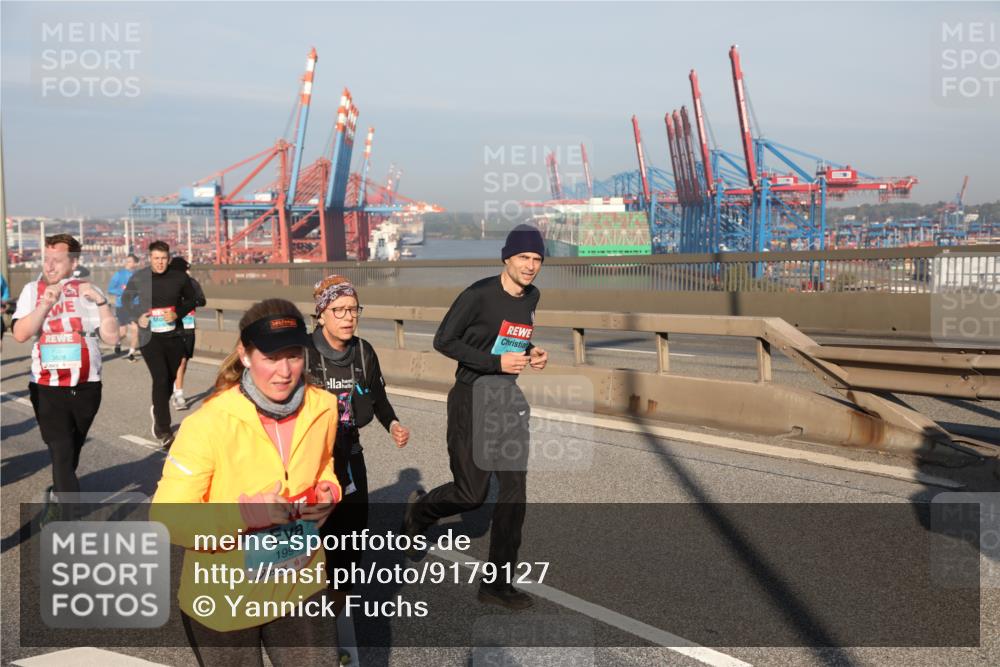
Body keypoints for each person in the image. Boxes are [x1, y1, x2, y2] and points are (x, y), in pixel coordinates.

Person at [152, 298, 341, 666]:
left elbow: (323, 465)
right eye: (271, 357)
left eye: (294, 356)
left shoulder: (323, 406)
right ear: (245, 355)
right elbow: (166, 519)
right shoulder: (207, 425)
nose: (284, 371)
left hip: (301, 583)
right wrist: (244, 515)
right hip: (225, 596)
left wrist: (329, 491)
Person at [403, 224, 548, 610]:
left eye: (537, 259)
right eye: (523, 257)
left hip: (507, 402)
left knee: (514, 493)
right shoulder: (478, 295)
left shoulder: (532, 296)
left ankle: (497, 584)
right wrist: (496, 363)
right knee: (471, 494)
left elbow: (510, 337)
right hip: (472, 399)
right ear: (507, 258)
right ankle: (421, 511)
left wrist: (531, 351)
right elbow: (444, 340)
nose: (530, 265)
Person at [305, 275, 410, 597]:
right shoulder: (302, 353)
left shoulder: (363, 351)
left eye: (353, 309)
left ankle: (342, 601)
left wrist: (392, 423)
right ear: (321, 314)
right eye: (338, 310)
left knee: (353, 534)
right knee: (317, 533)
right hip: (311, 459)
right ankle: (314, 598)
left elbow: (377, 397)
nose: (348, 317)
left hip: (350, 452)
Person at [10, 234, 119, 520]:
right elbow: (20, 334)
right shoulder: (32, 290)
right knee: (61, 449)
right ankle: (69, 518)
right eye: (46, 259)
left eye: (57, 260)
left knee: (72, 450)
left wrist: (102, 303)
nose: (49, 265)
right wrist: (44, 305)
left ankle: (59, 494)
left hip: (87, 384)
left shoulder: (88, 290)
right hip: (46, 384)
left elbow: (112, 337)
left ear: (74, 262)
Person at [121, 241, 204, 447]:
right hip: (149, 336)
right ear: (150, 258)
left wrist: (177, 313)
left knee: (169, 378)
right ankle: (164, 429)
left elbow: (192, 299)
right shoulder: (140, 277)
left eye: (164, 259)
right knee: (160, 378)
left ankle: (158, 409)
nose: (160, 262)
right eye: (156, 258)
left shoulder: (179, 277)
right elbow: (126, 301)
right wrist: (137, 316)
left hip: (174, 335)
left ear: (169, 258)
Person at [168, 256, 206, 411]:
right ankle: (178, 394)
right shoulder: (167, 284)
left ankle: (176, 389)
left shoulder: (192, 283)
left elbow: (202, 300)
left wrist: (190, 302)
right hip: (171, 326)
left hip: (188, 326)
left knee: (184, 361)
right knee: (178, 360)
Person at [106, 254, 140, 360]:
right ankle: (117, 342)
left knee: (135, 328)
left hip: (135, 306)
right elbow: (110, 289)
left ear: (136, 263)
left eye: (130, 261)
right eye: (127, 261)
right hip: (122, 305)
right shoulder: (119, 274)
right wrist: (123, 291)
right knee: (123, 332)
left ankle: (131, 352)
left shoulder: (139, 275)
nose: (127, 263)